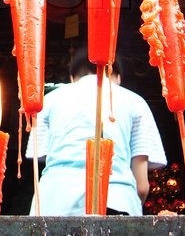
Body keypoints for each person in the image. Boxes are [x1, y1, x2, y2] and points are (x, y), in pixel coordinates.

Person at [25, 47, 167, 215]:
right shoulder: (135, 101)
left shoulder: (48, 101)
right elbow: (142, 186)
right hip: (116, 202)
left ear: (72, 78)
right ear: (117, 77)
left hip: (53, 203)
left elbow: (39, 157)